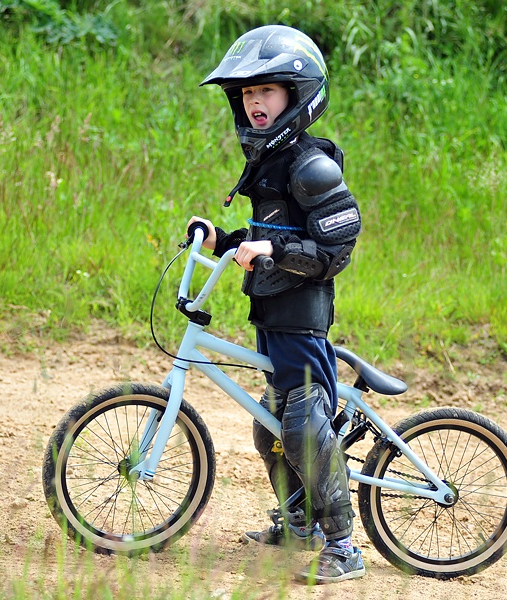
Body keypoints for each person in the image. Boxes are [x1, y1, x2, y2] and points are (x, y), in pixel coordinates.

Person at [188, 25, 363, 584]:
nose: (254, 103)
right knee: (272, 428)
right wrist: (222, 238)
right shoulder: (269, 163)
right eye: (245, 95)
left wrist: (273, 248)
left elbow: (335, 247)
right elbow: (267, 232)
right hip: (270, 314)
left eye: (266, 91)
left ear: (297, 93)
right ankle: (299, 523)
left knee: (305, 426)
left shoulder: (311, 166)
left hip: (301, 316)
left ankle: (343, 545)